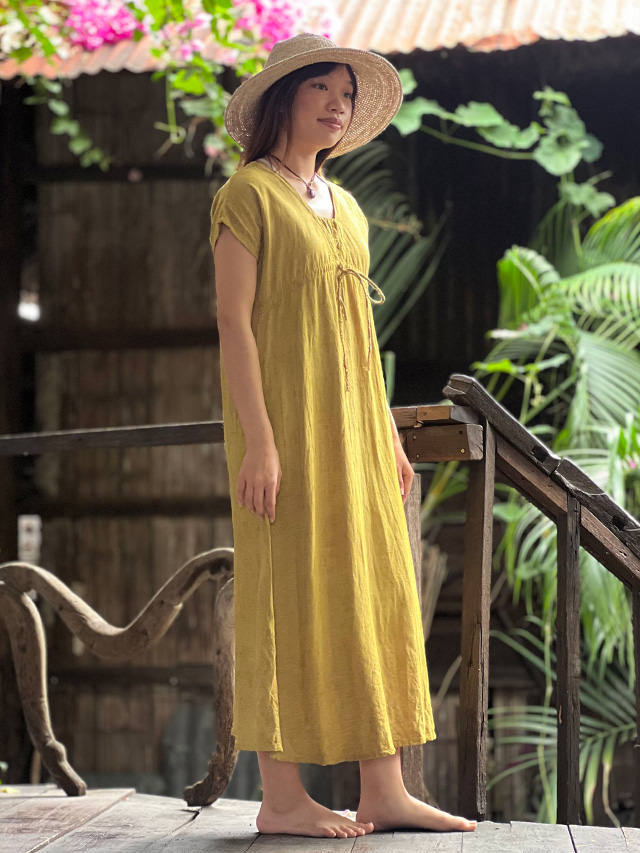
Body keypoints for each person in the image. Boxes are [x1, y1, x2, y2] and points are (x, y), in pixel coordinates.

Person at [210, 31, 478, 838]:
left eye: (348, 93)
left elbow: (360, 334)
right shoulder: (247, 194)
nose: (338, 104)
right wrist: (260, 441)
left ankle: (383, 787)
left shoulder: (349, 207)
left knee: (371, 586)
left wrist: (386, 433)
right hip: (283, 431)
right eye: (321, 88)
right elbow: (234, 325)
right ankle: (282, 796)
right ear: (283, 100)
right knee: (285, 590)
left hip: (356, 431)